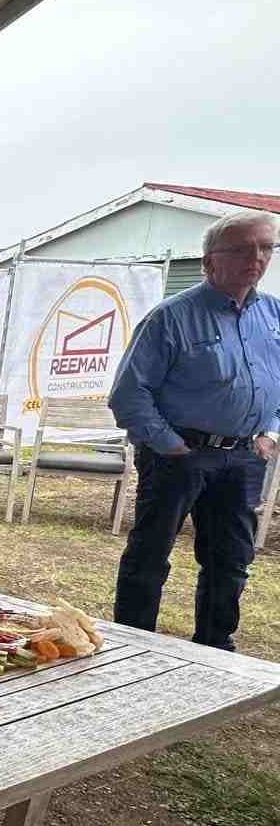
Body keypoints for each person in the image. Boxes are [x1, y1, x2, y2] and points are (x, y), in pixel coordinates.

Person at [109, 209, 280, 651]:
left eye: (266, 248)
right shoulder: (171, 318)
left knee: (231, 560)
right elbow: (129, 395)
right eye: (242, 249)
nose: (256, 258)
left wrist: (271, 433)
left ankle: (214, 648)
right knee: (150, 555)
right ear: (208, 262)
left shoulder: (274, 315)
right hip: (179, 456)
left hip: (244, 458)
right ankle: (132, 646)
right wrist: (170, 445)